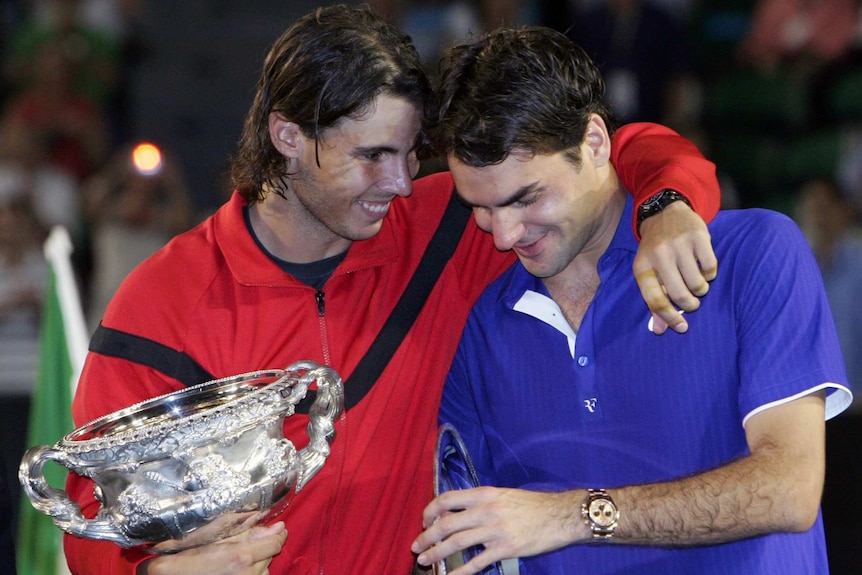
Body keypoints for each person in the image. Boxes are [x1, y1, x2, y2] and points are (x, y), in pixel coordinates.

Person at [62, 6, 722, 575]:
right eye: (372, 156)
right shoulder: (161, 304)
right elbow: (90, 514)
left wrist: (666, 203)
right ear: (288, 136)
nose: (402, 182)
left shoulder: (447, 228)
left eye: (411, 153)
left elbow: (614, 149)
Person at [411, 25, 853, 575]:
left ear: (595, 142)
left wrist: (572, 516)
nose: (503, 234)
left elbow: (789, 490)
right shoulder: (481, 323)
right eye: (480, 207)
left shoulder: (756, 253)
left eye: (527, 197)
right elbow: (462, 530)